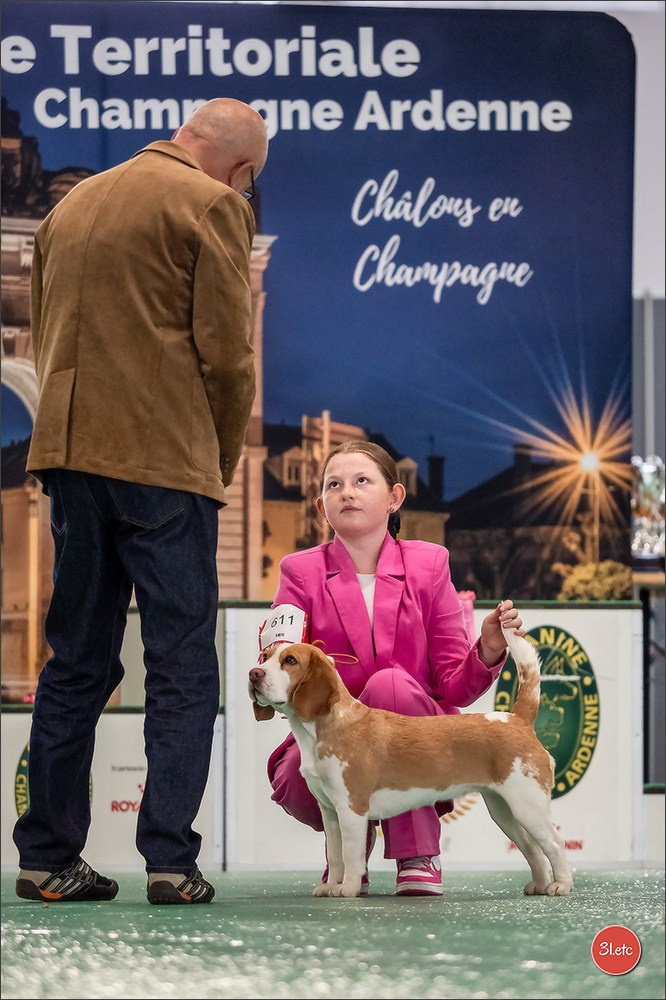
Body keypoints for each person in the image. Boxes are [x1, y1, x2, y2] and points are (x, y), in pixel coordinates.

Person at [13, 99, 269, 905]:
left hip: (71, 456)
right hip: (164, 461)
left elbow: (52, 332)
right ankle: (169, 861)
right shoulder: (214, 204)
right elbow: (227, 358)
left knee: (77, 661)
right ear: (241, 169)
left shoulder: (71, 205)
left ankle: (47, 857)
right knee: (183, 666)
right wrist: (217, 459)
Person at [265, 440, 525, 896]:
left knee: (390, 687)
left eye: (362, 481)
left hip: (423, 746)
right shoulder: (298, 571)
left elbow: (453, 685)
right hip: (334, 746)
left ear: (395, 498)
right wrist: (272, 660)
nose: (347, 492)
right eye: (334, 485)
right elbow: (280, 660)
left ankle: (418, 853)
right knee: (313, 761)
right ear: (321, 504)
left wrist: (486, 648)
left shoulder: (430, 563)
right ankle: (349, 859)